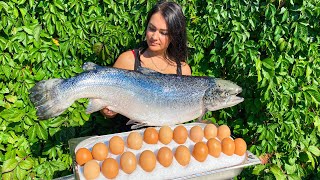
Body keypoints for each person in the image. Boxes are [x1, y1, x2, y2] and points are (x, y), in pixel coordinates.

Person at [100, 1, 191, 125]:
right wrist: (107, 109)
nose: (154, 36)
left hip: (171, 143)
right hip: (133, 141)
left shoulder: (183, 70)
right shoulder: (128, 61)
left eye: (163, 33)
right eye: (151, 29)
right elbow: (106, 106)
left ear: (174, 35)